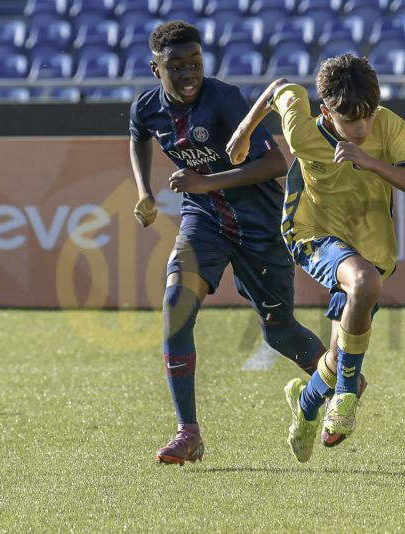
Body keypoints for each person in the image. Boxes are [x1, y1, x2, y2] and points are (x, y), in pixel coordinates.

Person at [128, 21, 329, 465]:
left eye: (194, 63)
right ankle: (188, 433)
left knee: (279, 333)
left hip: (260, 223)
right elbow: (138, 136)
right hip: (204, 220)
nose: (187, 74)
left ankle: (338, 379)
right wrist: (144, 191)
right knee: (176, 305)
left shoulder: (224, 99)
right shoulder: (147, 108)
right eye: (175, 66)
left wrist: (205, 181)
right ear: (154, 68)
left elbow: (276, 162)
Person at [227, 54, 405, 462]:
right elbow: (280, 86)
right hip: (310, 234)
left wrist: (369, 161)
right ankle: (344, 401)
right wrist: (244, 131)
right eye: (350, 121)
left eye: (367, 117)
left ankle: (306, 406)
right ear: (326, 112)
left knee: (338, 358)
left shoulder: (388, 125)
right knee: (365, 284)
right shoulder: (303, 130)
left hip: (369, 246)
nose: (361, 127)